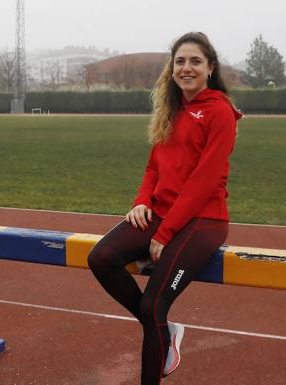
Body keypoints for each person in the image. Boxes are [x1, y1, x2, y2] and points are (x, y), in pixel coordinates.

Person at [87, 32, 242, 385]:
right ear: (172, 68)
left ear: (210, 68)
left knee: (152, 305)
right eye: (180, 61)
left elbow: (204, 181)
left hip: (204, 219)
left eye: (195, 62)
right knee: (100, 257)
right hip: (160, 212)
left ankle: (158, 333)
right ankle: (166, 331)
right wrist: (142, 201)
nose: (187, 68)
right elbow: (153, 167)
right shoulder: (170, 109)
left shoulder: (220, 111)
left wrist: (167, 230)